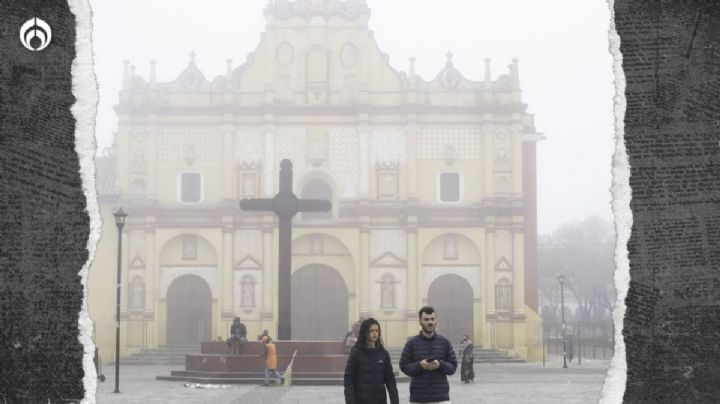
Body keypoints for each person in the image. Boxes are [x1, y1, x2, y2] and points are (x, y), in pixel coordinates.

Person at [399, 306, 457, 404]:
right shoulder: (411, 343)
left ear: (436, 321)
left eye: (432, 319)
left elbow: (453, 367)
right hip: (418, 399)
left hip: (441, 399)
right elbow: (404, 366)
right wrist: (419, 365)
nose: (430, 322)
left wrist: (440, 364)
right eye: (426, 319)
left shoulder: (445, 342)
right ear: (420, 322)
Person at [343, 318, 399, 404]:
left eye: (376, 330)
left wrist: (395, 401)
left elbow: (390, 380)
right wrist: (350, 401)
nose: (374, 333)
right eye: (371, 330)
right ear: (365, 333)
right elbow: (349, 379)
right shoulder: (356, 353)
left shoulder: (383, 354)